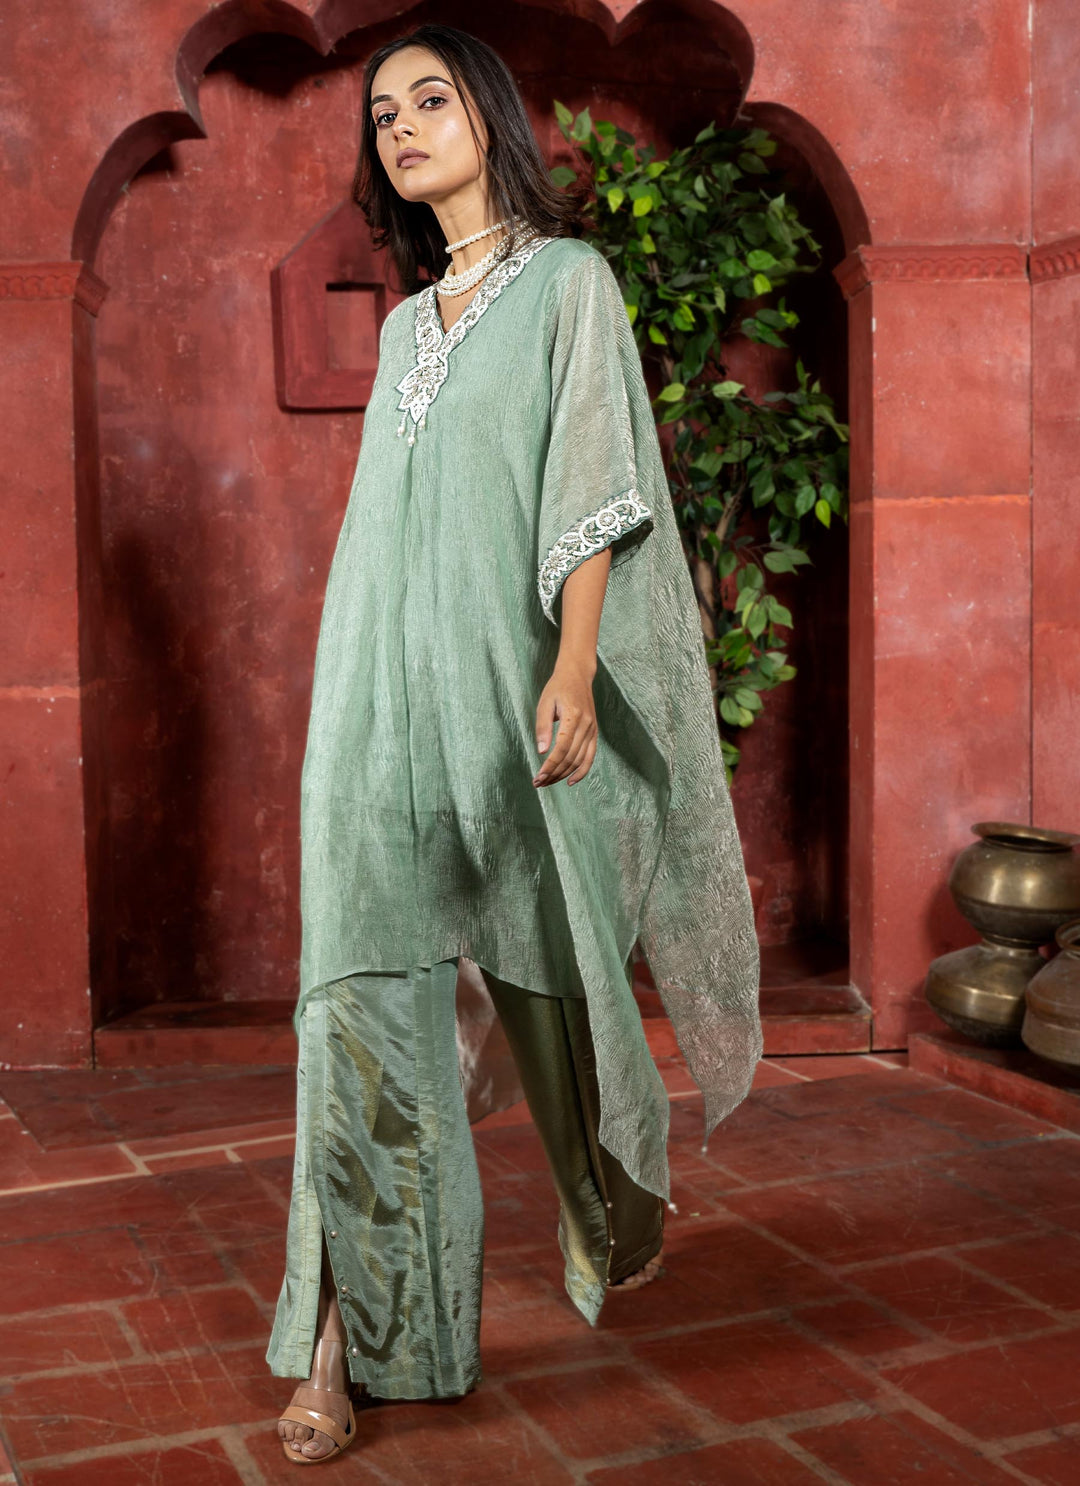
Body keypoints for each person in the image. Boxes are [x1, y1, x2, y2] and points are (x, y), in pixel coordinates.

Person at [267, 21, 761, 1464]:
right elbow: (381, 532)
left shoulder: (569, 286)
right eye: (382, 113)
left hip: (507, 683)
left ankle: (602, 1183)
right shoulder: (400, 328)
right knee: (350, 996)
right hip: (370, 698)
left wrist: (569, 660)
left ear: (487, 116)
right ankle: (341, 1341)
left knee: (550, 961)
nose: (403, 126)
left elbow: (592, 473)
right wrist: (351, 704)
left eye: (430, 100)